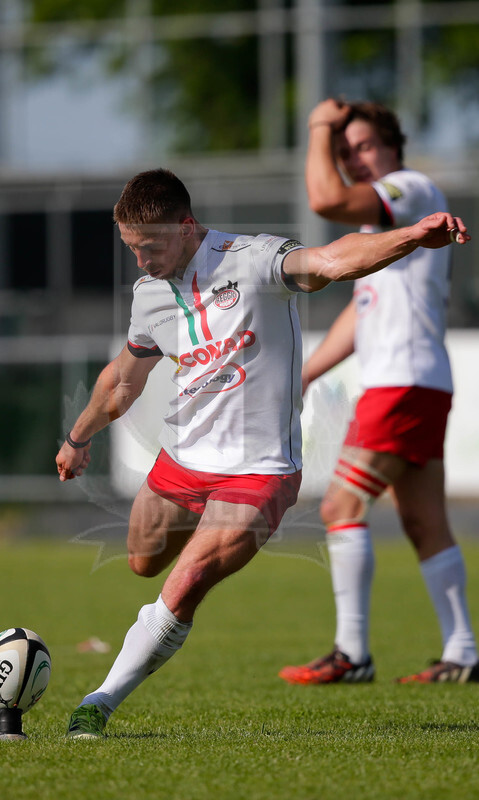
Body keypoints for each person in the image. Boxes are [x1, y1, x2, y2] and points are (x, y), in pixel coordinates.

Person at [56, 168, 469, 738]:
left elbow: (333, 260)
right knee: (142, 559)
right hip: (182, 462)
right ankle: (188, 555)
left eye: (149, 247)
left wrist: (410, 237)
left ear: (187, 225)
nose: (141, 261)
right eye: (131, 249)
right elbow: (123, 381)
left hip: (258, 473)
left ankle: (97, 704)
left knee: (185, 579)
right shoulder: (149, 295)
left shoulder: (252, 259)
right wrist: (79, 438)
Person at [279, 99, 479, 686]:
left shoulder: (410, 189)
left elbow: (323, 199)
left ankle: (351, 653)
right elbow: (361, 312)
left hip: (402, 384)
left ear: (393, 147)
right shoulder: (381, 230)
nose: (354, 159)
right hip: (417, 381)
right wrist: (308, 372)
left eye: (363, 146)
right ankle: (464, 652)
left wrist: (319, 125)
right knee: (424, 522)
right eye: (345, 153)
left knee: (342, 505)